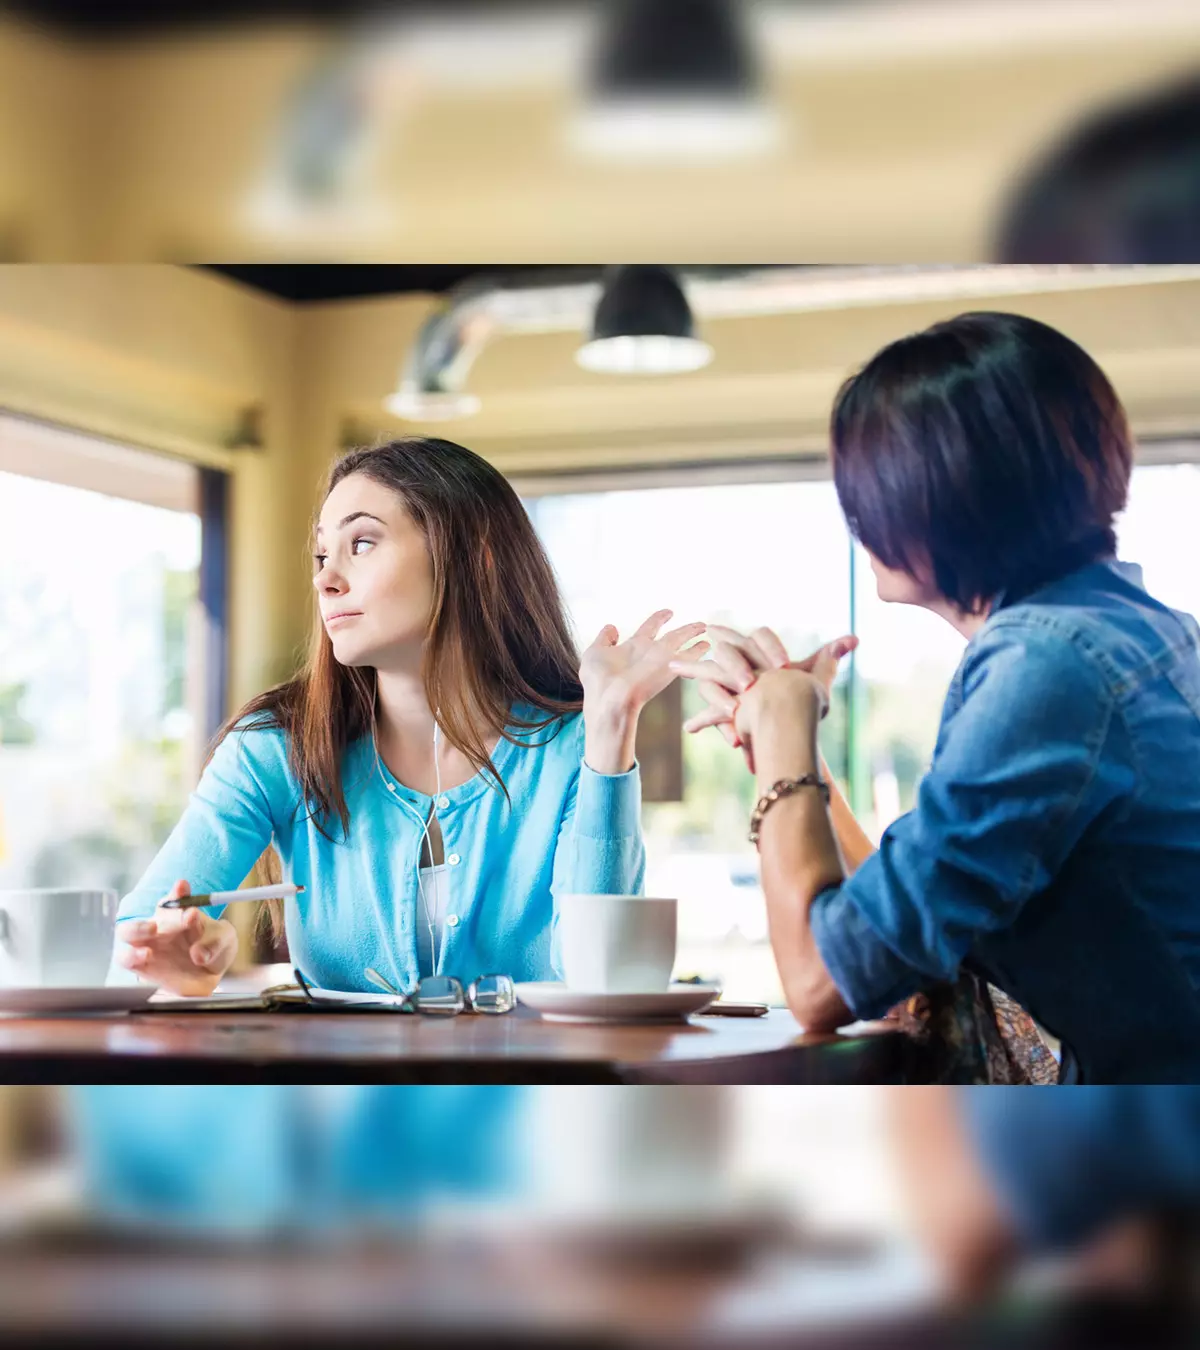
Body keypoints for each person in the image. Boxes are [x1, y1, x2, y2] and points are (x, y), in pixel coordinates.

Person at [673, 311, 1200, 1083]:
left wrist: (784, 730)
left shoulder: (1044, 669)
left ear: (939, 493)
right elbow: (893, 915)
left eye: (866, 488)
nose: (858, 518)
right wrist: (797, 754)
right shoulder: (1139, 634)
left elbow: (823, 982)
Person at [112, 436, 704, 997]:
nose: (325, 577)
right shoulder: (275, 747)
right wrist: (170, 953)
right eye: (321, 553)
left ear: (476, 558)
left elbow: (604, 979)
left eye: (361, 543)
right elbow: (143, 926)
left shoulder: (573, 750)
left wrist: (609, 728)